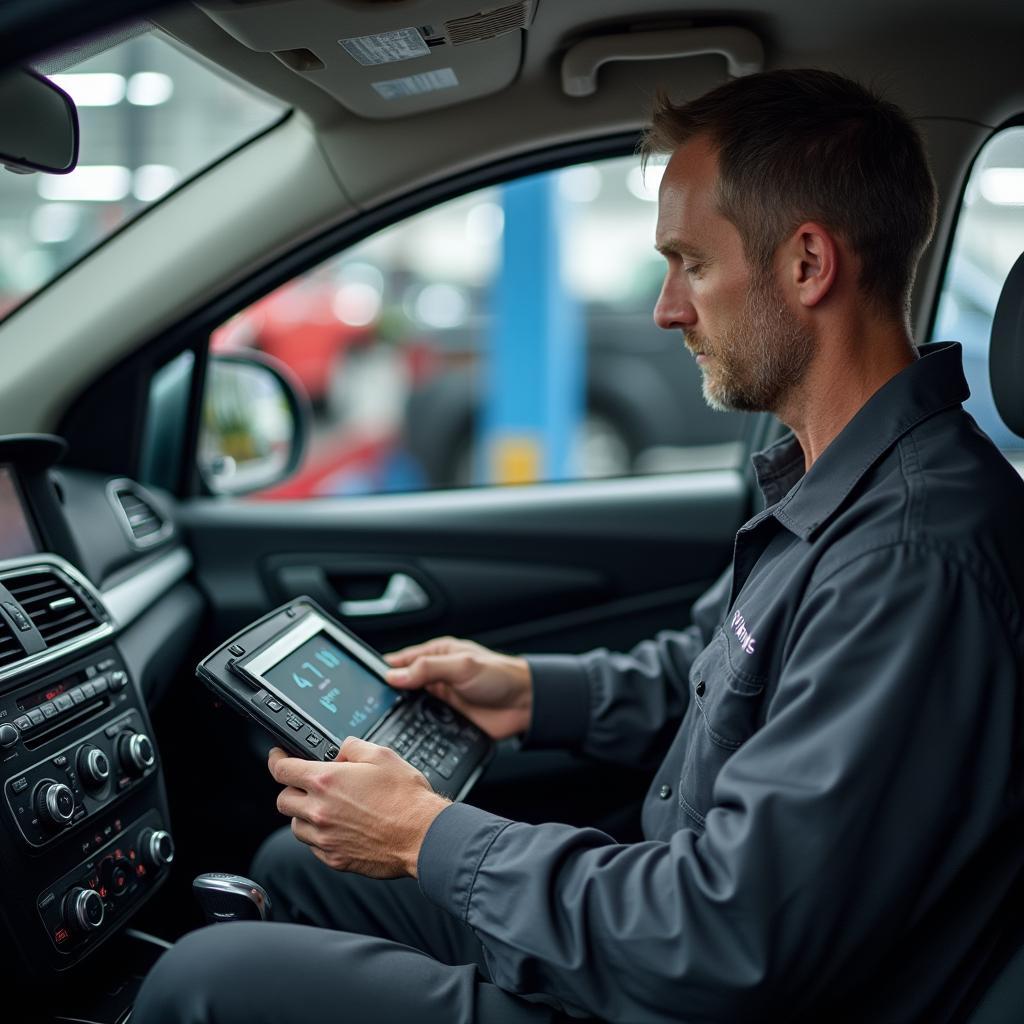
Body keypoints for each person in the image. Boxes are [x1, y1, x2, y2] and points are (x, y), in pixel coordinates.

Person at [134, 69, 1024, 1024]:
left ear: (808, 265)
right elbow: (719, 674)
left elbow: (724, 940)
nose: (666, 309)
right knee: (292, 867)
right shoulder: (834, 487)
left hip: (695, 983)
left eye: (691, 262)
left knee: (201, 985)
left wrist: (429, 834)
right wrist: (528, 691)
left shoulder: (911, 557)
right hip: (662, 939)